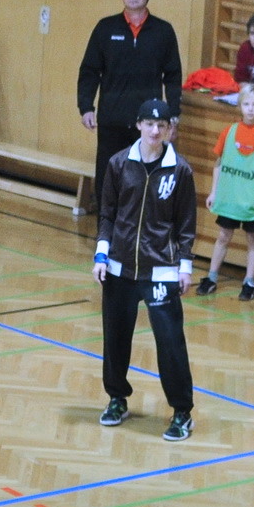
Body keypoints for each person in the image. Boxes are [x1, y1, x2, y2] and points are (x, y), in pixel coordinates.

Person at [94, 98, 198, 441]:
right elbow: (107, 213)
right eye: (150, 124)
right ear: (138, 124)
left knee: (170, 342)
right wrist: (101, 254)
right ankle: (117, 398)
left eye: (162, 125)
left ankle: (182, 412)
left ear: (169, 129)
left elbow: (186, 223)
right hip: (119, 268)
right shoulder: (118, 164)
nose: (155, 131)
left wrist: (185, 265)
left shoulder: (180, 170)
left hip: (162, 271)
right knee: (115, 337)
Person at [77, 0, 183, 211]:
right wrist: (86, 107)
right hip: (111, 120)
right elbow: (89, 71)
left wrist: (173, 115)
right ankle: (105, 231)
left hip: (148, 124)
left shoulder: (163, 31)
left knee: (143, 180)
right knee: (108, 180)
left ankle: (139, 230)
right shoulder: (105, 28)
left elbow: (173, 76)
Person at [198, 89, 254, 301]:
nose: (250, 109)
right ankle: (211, 277)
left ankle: (249, 281)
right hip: (230, 198)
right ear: (240, 106)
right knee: (223, 236)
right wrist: (214, 191)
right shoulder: (229, 131)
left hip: (253, 200)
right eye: (246, 104)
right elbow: (218, 163)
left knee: (252, 238)